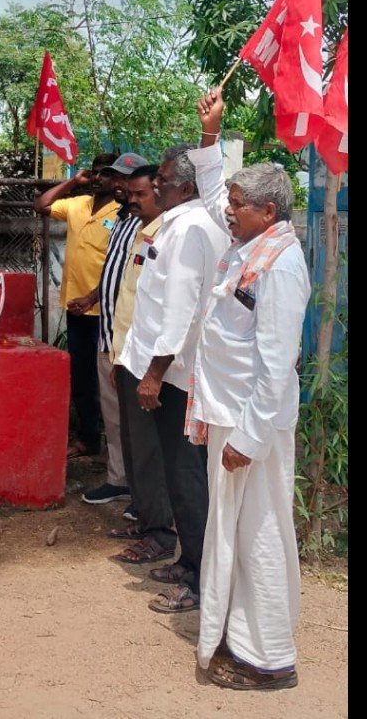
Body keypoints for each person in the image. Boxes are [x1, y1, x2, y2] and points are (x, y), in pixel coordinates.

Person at [187, 88, 310, 691]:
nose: (226, 211)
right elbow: (214, 198)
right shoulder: (252, 245)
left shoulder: (281, 266)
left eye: (238, 204)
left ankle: (269, 660)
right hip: (231, 420)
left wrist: (251, 438)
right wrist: (211, 136)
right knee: (235, 531)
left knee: (259, 532)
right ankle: (239, 639)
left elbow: (277, 363)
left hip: (250, 429)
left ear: (266, 210)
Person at [112, 144, 226, 616]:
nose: (154, 183)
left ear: (183, 185)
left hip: (175, 376)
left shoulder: (190, 229)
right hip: (171, 371)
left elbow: (179, 311)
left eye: (161, 177)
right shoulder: (188, 225)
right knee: (183, 477)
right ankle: (190, 560)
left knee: (185, 476)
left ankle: (201, 579)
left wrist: (153, 375)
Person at [70, 154, 147, 505]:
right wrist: (91, 297)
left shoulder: (149, 224)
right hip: (108, 331)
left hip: (132, 339)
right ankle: (119, 479)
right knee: (114, 415)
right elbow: (114, 270)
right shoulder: (121, 219)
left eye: (125, 180)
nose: (119, 185)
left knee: (136, 420)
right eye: (116, 178)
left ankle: (144, 492)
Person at [34, 154, 120, 459]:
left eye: (106, 174)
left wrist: (94, 297)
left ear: (118, 178)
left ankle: (115, 446)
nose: (99, 178)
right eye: (95, 173)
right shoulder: (79, 203)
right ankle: (88, 440)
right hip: (75, 306)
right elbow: (41, 205)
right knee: (82, 376)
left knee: (108, 380)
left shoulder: (123, 212)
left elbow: (118, 266)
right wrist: (73, 181)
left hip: (106, 310)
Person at [108, 164, 170, 533]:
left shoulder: (169, 236)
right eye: (130, 194)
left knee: (150, 452)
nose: (132, 201)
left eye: (141, 194)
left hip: (151, 363)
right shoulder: (140, 231)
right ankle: (144, 518)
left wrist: (152, 372)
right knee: (133, 448)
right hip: (127, 357)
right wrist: (118, 359)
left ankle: (160, 531)